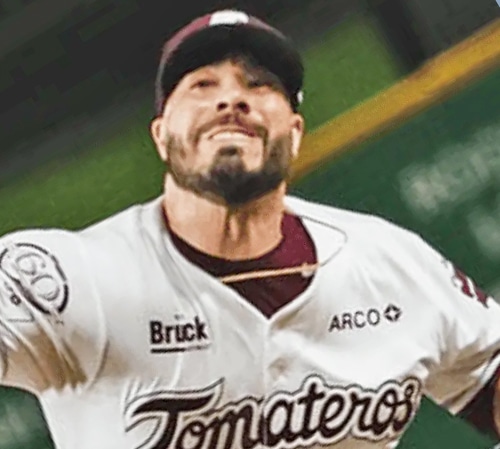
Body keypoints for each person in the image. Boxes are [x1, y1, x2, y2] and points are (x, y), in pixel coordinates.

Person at [0, 8, 499, 449]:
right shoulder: (74, 276)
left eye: (259, 84)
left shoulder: (390, 263)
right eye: (202, 85)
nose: (231, 99)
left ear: (295, 133)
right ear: (161, 135)